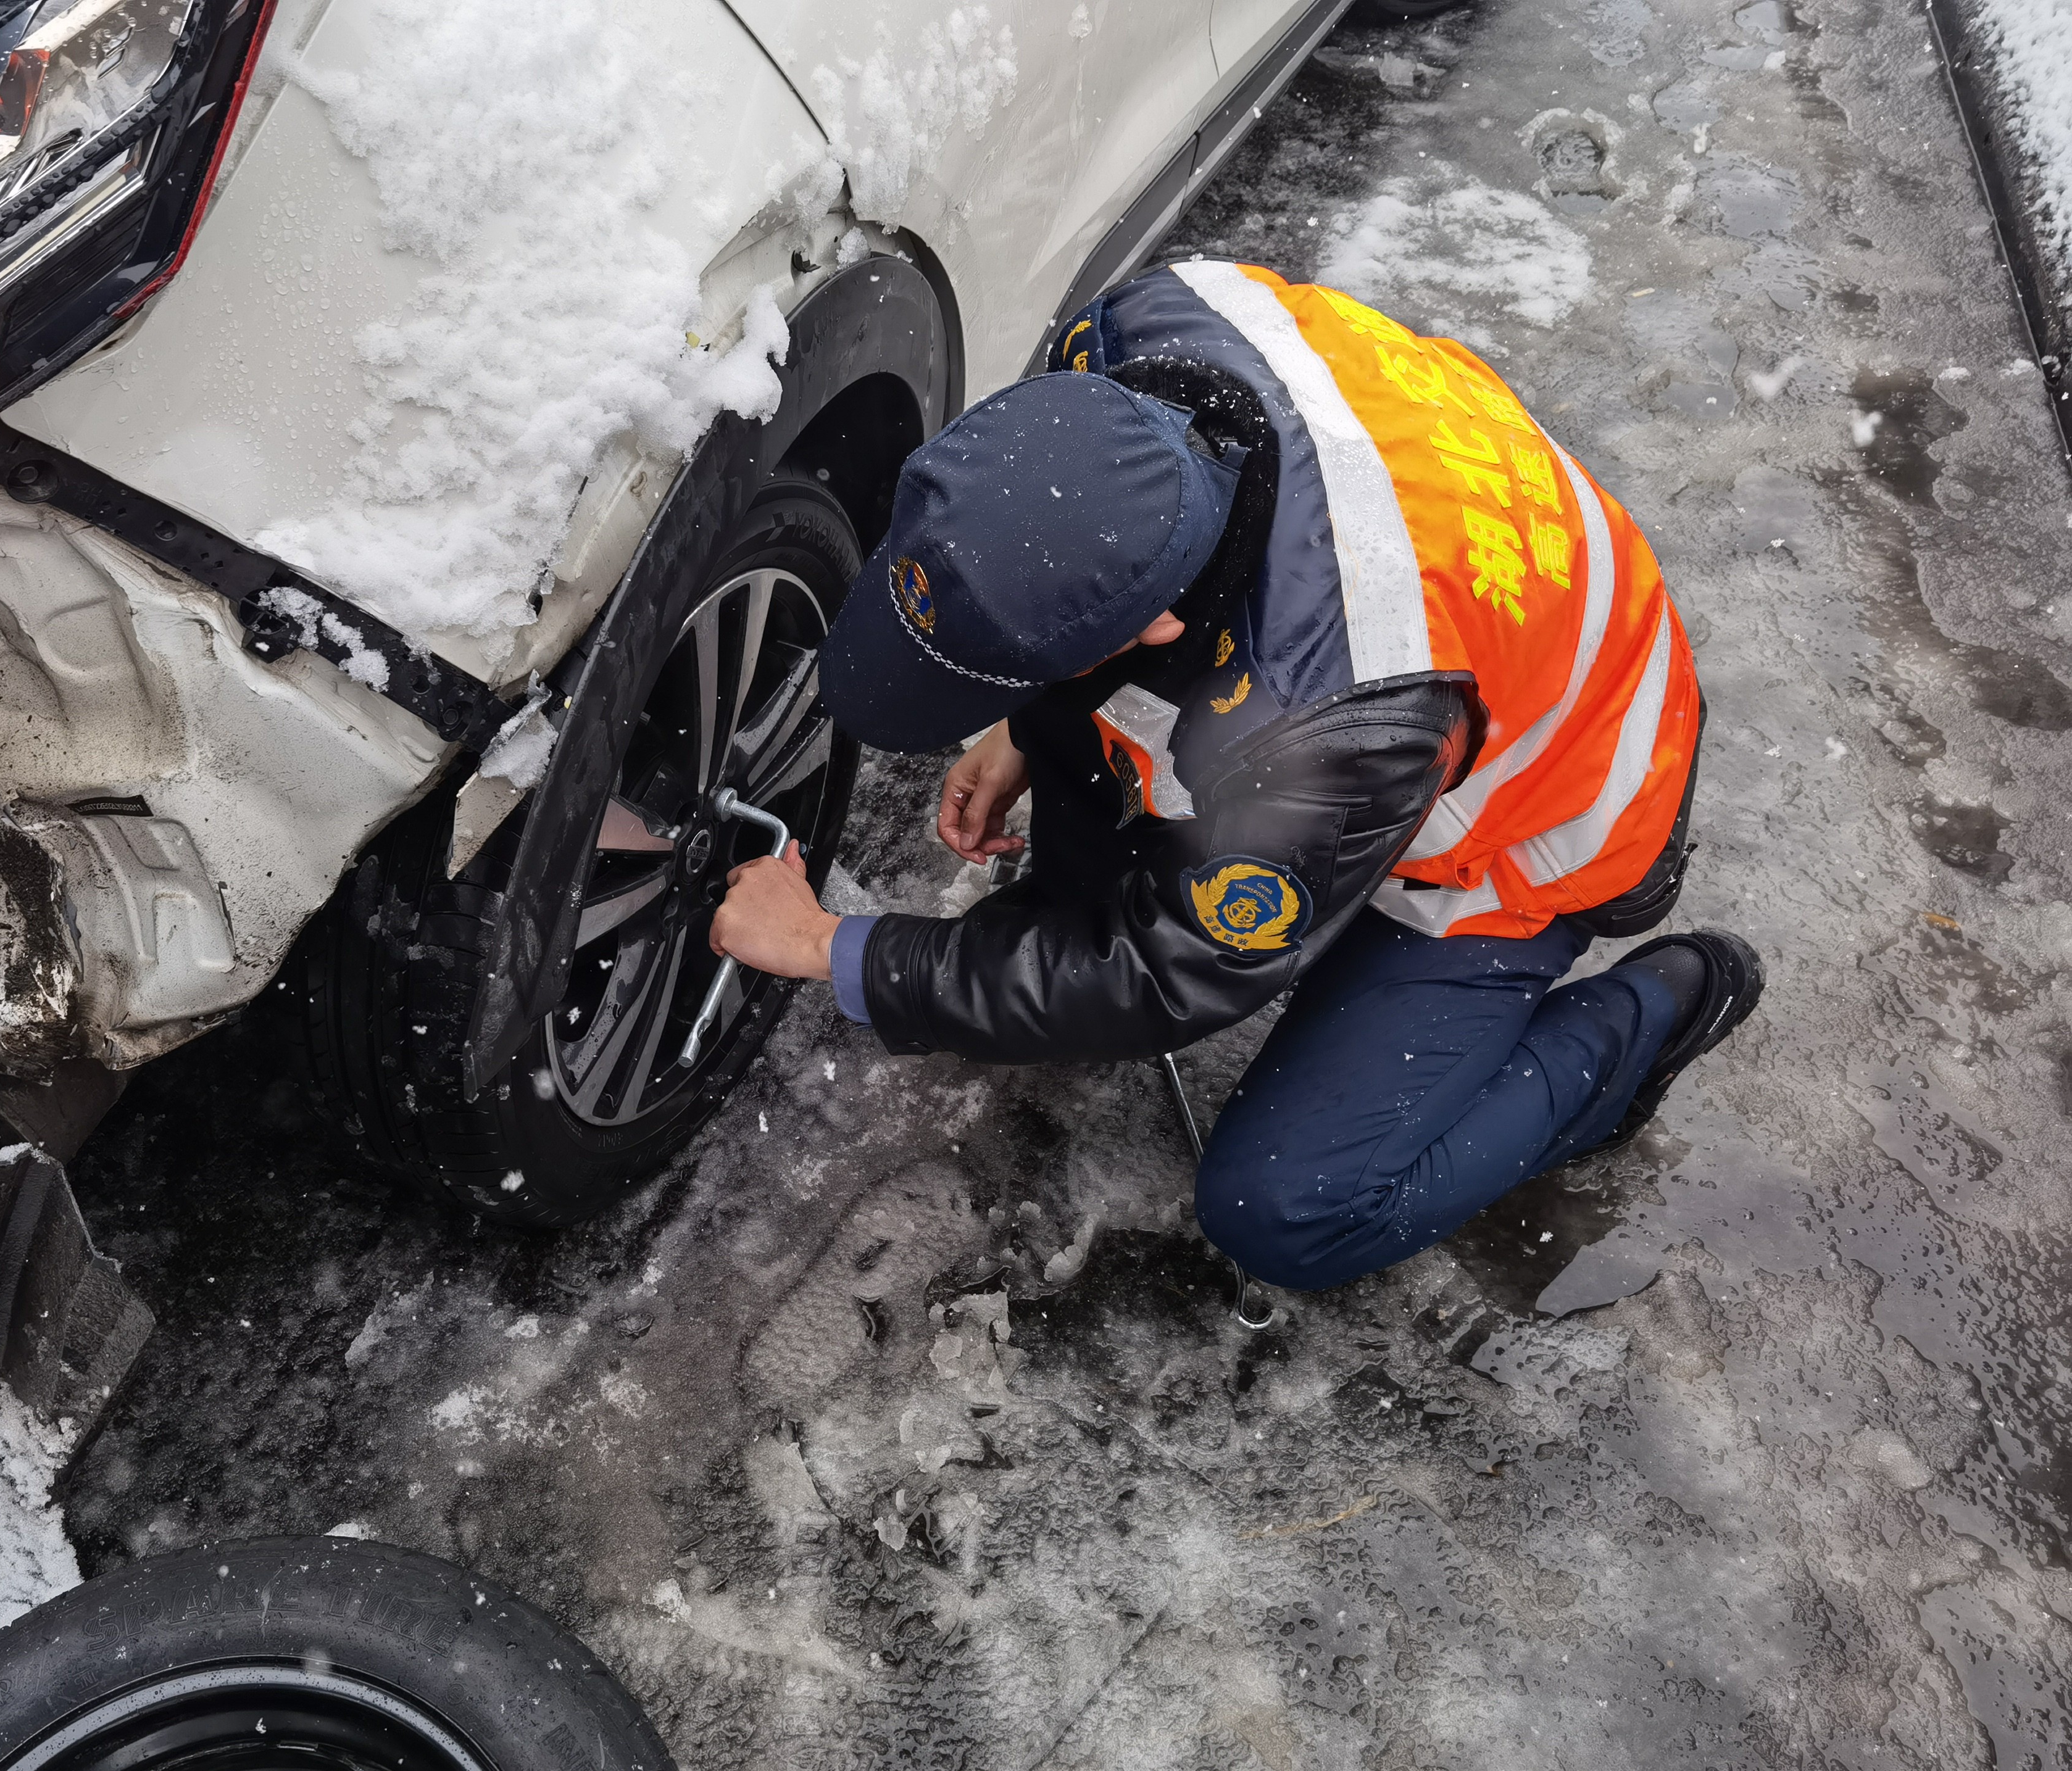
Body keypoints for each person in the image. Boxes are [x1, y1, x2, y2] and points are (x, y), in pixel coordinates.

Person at [706, 260, 1762, 1293]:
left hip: (1538, 826)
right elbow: (1065, 557)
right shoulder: (1128, 336)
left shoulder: (1341, 725)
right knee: (1096, 842)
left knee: (1287, 1209)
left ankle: (1649, 1018)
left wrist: (831, 947)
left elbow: (1163, 977)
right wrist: (1032, 723)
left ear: (1157, 623)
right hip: (1441, 663)